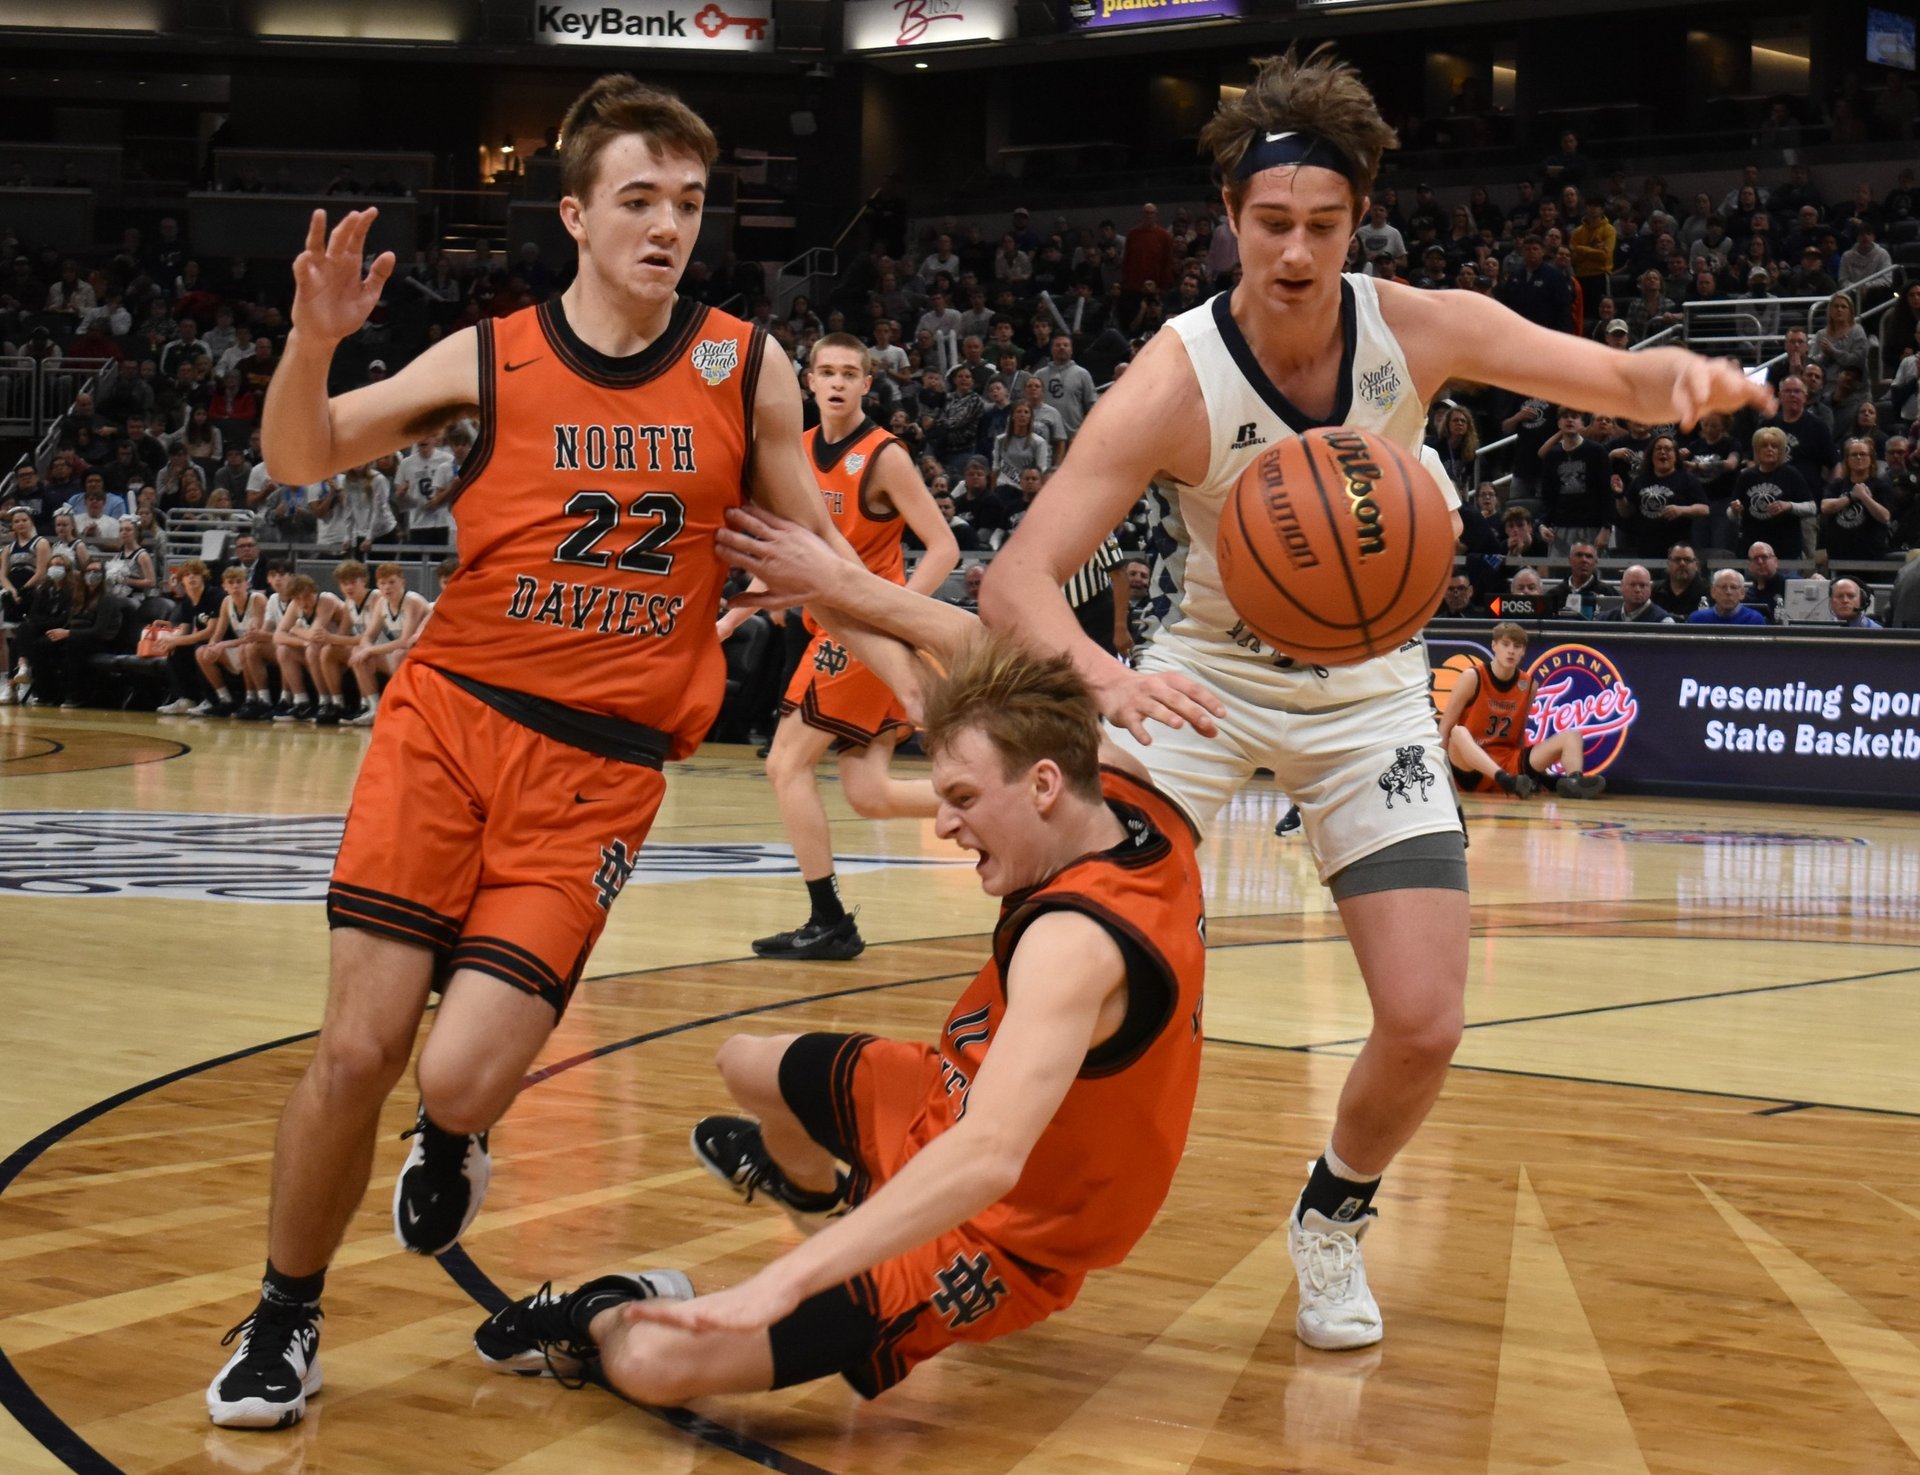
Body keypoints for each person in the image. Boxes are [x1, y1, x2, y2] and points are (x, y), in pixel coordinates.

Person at [976, 46, 1767, 1355]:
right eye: (1271, 223)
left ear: (1357, 225)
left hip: (1369, 689)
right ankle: (960, 1148)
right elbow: (1019, 580)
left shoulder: (1419, 327)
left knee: (1424, 1018)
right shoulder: (1175, 377)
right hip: (1207, 678)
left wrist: (1680, 384)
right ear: (1230, 217)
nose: (1294, 250)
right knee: (1059, 949)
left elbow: (1611, 378)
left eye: (1323, 226)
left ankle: (1333, 1214)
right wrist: (1113, 675)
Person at [205, 74, 863, 1431]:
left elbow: (822, 553)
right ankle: (284, 1311)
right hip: (448, 728)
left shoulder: (748, 363)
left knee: (459, 1071)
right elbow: (299, 454)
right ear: (574, 213)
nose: (668, 224)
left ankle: (457, 1132)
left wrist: (866, 612)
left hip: (601, 770)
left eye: (689, 202)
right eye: (639, 199)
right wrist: (312, 343)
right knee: (357, 1045)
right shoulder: (494, 355)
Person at [474, 537, 1206, 1415]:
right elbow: (988, 659)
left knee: (655, 1363)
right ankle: (819, 1191)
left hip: (1002, 1227)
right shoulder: (1124, 788)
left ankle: (596, 1308)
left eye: (963, 800)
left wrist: (782, 1282)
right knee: (746, 1063)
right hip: (947, 1093)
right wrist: (836, 588)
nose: (942, 824)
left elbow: (985, 1160)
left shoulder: (1076, 945)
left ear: (1043, 784)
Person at [735, 333, 957, 960]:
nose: (836, 382)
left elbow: (943, 545)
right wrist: (731, 617)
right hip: (830, 627)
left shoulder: (883, 456)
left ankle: (828, 919)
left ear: (867, 384)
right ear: (807, 382)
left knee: (785, 765)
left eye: (849, 373)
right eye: (825, 372)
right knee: (870, 793)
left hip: (861, 636)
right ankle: (1008, 806)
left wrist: (896, 612)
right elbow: (788, 547)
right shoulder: (797, 451)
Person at [1439, 622, 1605, 800]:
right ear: (1494, 646)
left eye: (1517, 646)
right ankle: (1505, 780)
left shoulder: (1528, 684)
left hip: (1508, 761)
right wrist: (1438, 773)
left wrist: (1531, 774)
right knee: (1458, 731)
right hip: (1470, 764)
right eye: (1505, 644)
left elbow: (1519, 731)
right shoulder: (1473, 677)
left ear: (1523, 651)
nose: (1511, 651)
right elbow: (1445, 725)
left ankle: (1574, 782)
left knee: (1573, 735)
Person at [343, 563, 432, 726]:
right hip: (401, 654)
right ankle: (374, 709)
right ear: (377, 585)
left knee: (396, 654)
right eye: (383, 584)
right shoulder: (381, 603)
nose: (387, 587)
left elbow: (405, 641)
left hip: (425, 656)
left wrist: (369, 649)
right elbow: (368, 635)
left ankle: (405, 710)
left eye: (392, 582)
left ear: (402, 582)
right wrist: (365, 649)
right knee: (358, 653)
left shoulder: (412, 601)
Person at [194, 563, 272, 718]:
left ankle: (257, 699)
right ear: (224, 586)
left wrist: (223, 644)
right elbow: (218, 632)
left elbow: (253, 636)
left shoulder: (258, 599)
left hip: (262, 647)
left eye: (239, 581)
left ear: (247, 583)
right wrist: (212, 646)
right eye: (231, 582)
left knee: (246, 647)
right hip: (243, 646)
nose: (235, 586)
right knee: (201, 652)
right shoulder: (226, 602)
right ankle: (225, 699)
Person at [1688, 569, 1767, 625]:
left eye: (1733, 587)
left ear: (1742, 593)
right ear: (1713, 592)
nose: (1728, 592)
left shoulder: (1754, 620)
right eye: (1723, 587)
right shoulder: (1697, 619)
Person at [1598, 564, 1674, 623]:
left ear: (1650, 588)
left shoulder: (1663, 621)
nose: (1637, 590)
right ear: (1621, 586)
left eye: (1642, 585)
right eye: (1632, 585)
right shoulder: (1604, 619)